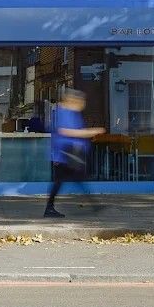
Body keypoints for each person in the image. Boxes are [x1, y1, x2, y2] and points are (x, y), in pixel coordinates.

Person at [44, 86, 104, 218]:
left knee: (72, 179)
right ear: (72, 101)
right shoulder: (63, 112)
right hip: (65, 153)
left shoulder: (71, 112)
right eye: (81, 101)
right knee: (63, 180)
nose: (83, 104)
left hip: (69, 153)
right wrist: (89, 132)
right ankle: (49, 208)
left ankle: (95, 204)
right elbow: (65, 131)